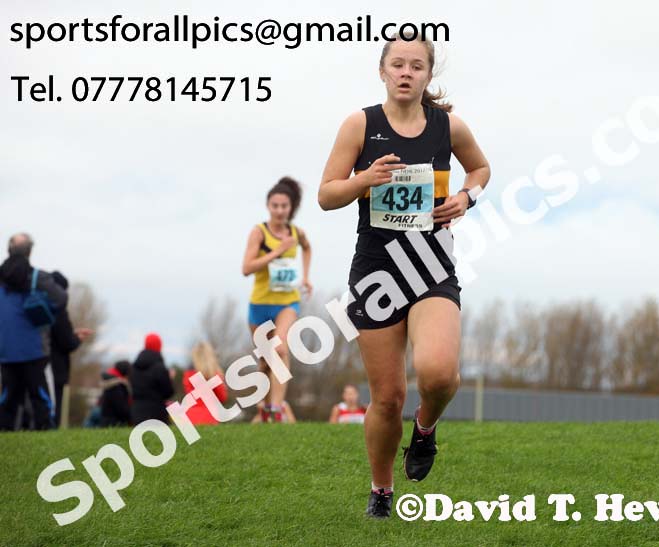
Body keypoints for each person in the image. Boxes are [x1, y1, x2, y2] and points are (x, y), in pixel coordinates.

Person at [318, 32, 490, 517]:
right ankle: (381, 490)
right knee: (388, 398)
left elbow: (480, 169)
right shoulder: (360, 124)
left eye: (416, 65)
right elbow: (327, 194)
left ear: (428, 75)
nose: (406, 72)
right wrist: (363, 180)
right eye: (398, 63)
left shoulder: (448, 127)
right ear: (383, 70)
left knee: (438, 373)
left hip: (431, 264)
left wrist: (465, 198)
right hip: (376, 271)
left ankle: (427, 430)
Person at [242, 177, 312, 424]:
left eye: (284, 206)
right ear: (268, 206)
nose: (280, 210)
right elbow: (247, 268)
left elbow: (307, 248)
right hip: (260, 305)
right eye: (275, 206)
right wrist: (278, 251)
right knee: (264, 362)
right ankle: (265, 408)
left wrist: (305, 277)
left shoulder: (296, 233)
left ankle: (277, 409)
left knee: (280, 349)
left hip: (287, 303)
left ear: (291, 207)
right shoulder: (258, 232)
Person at [0, 233, 67, 430]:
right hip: (34, 348)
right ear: (30, 251)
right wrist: (45, 313)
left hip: (6, 349)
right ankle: (45, 432)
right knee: (40, 396)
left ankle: (4, 433)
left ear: (8, 249)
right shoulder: (38, 277)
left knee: (7, 397)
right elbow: (61, 299)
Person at [49, 271, 93, 428]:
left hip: (38, 364)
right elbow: (66, 342)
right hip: (55, 366)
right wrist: (77, 338)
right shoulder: (57, 309)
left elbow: (54, 334)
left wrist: (71, 333)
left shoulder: (39, 306)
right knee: (54, 405)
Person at [130, 333, 175, 424]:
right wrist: (170, 378)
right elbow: (168, 392)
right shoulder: (159, 367)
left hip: (137, 412)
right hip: (156, 413)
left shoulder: (134, 367)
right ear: (159, 346)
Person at [183, 341, 228, 425]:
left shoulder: (188, 375)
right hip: (210, 417)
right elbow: (223, 398)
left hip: (190, 417)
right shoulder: (215, 376)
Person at [99, 360, 131, 427]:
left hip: (106, 421)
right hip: (114, 423)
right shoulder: (116, 387)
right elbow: (121, 408)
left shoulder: (110, 383)